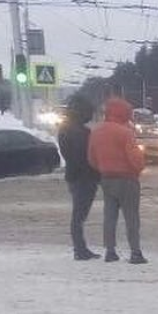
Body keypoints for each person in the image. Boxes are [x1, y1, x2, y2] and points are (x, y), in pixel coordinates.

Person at [88, 97, 148, 264]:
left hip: (106, 179)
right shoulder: (125, 132)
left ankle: (110, 251)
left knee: (109, 216)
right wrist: (139, 167)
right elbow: (135, 158)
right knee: (131, 218)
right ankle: (135, 253)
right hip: (127, 180)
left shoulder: (96, 131)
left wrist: (103, 169)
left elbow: (91, 158)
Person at [57, 95, 101, 261]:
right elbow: (86, 156)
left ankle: (80, 248)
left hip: (75, 175)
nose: (90, 116)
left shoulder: (65, 128)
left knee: (78, 215)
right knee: (79, 216)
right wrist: (95, 173)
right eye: (88, 113)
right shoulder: (80, 132)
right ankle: (80, 250)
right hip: (84, 177)